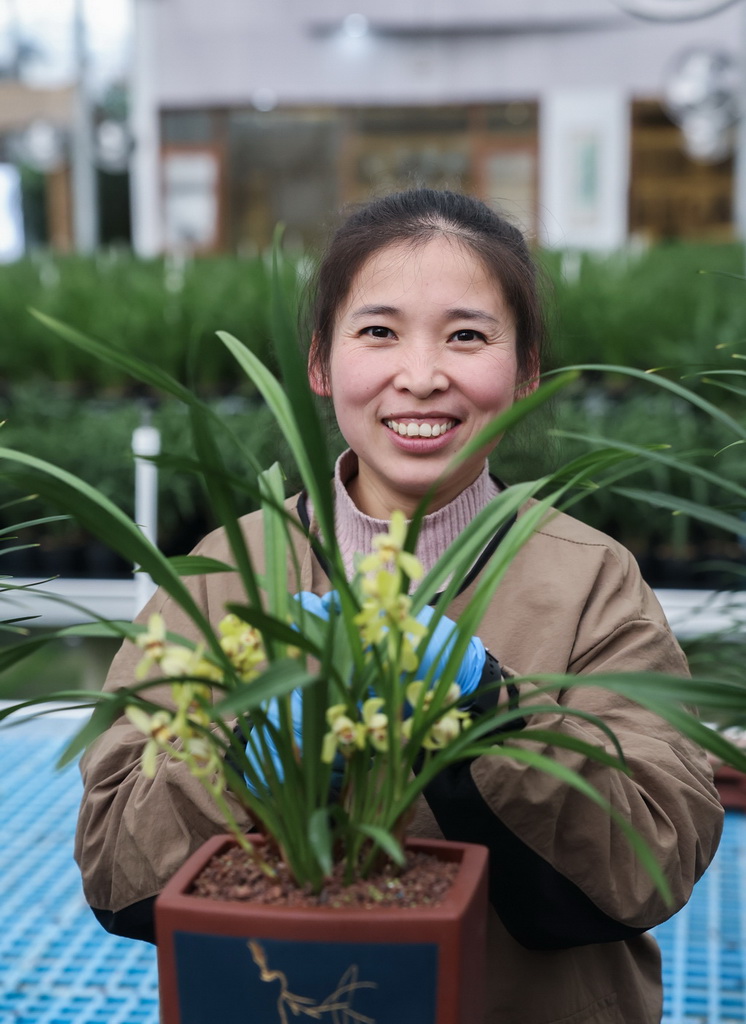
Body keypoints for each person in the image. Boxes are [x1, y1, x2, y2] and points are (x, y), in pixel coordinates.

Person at [75, 189, 723, 1024]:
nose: (421, 376)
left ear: (524, 372)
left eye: (468, 335)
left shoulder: (590, 580)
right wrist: (245, 766)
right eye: (378, 331)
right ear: (321, 362)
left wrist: (489, 717)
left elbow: (656, 858)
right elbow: (112, 870)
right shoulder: (219, 578)